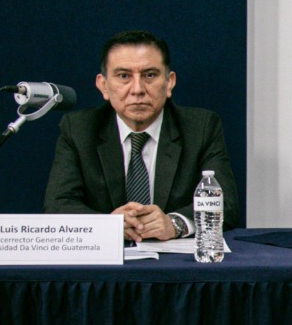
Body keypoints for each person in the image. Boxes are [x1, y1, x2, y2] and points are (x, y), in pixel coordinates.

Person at [44, 30, 240, 242]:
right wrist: (108, 225)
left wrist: (174, 223)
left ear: (169, 82)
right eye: (123, 76)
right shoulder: (79, 129)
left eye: (149, 75)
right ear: (103, 86)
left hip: (174, 267)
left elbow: (225, 204)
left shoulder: (200, 127)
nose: (137, 89)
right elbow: (57, 204)